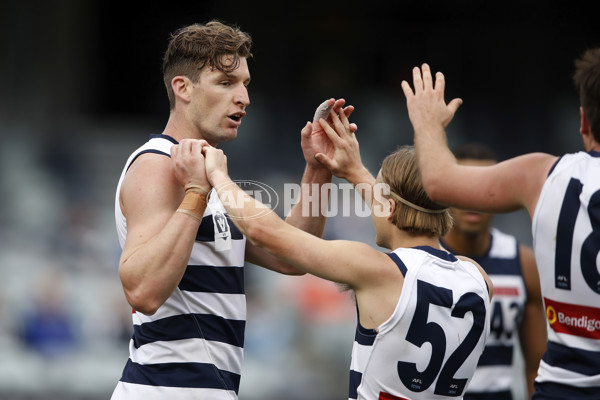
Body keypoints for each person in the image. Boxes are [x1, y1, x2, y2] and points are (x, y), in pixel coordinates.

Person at [112, 20, 353, 400]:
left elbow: (291, 256)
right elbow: (143, 291)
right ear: (183, 88)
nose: (244, 97)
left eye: (245, 84)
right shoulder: (158, 164)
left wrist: (318, 169)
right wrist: (195, 192)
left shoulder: (208, 173)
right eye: (226, 83)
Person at [192, 109, 494, 399]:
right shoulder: (477, 277)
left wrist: (220, 177)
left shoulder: (378, 269)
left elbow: (267, 233)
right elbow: (404, 207)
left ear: (387, 206)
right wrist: (352, 171)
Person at [402, 49, 600, 399]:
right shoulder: (418, 258)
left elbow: (438, 182)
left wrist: (427, 124)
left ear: (583, 121)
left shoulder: (544, 175)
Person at [439, 142, 546, 399]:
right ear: (443, 191)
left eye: (484, 188)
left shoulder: (523, 263)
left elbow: (536, 368)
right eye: (463, 187)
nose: (472, 198)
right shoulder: (421, 258)